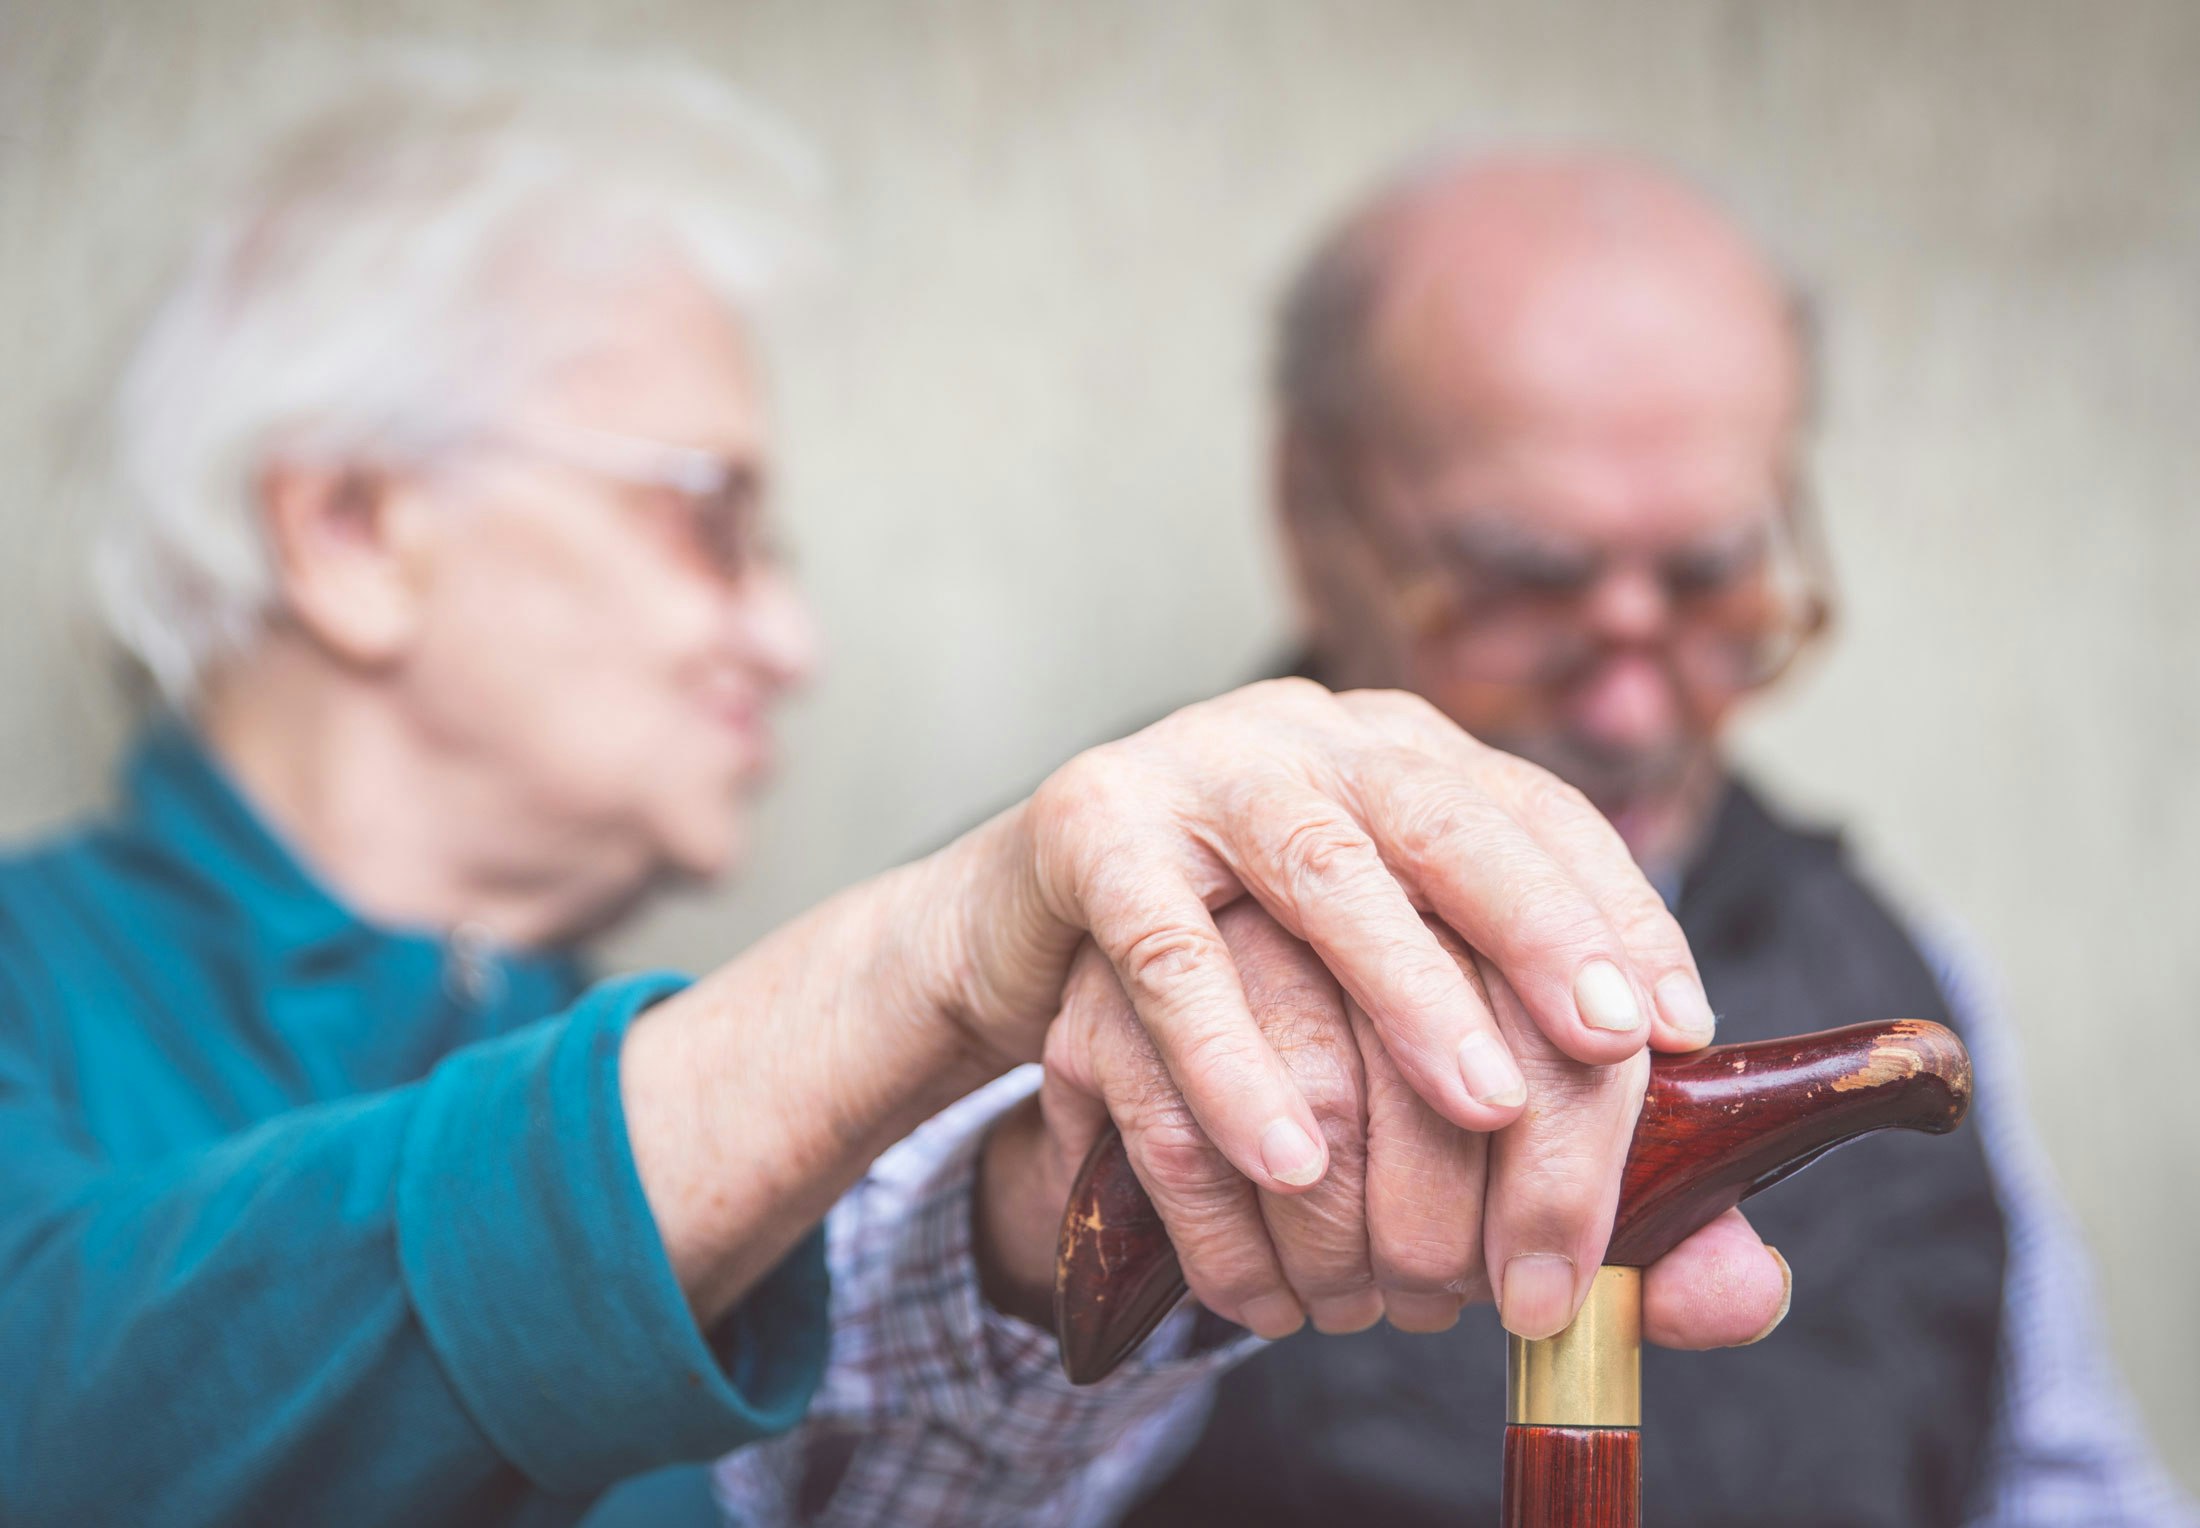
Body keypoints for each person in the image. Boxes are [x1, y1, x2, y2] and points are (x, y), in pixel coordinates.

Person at [0, 72, 1792, 1527]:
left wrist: (1089, 1185)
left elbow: (846, 1461)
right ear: (350, 533)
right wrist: (925, 957)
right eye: (710, 520)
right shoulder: (36, 990)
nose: (787, 638)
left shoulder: (647, 1071)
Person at [719, 154, 2199, 1525]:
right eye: (1522, 583)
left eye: (1709, 581)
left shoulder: (1889, 954)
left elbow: (2063, 1482)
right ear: (1315, 514)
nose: (1631, 700)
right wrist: (1031, 1240)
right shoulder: (1031, 960)